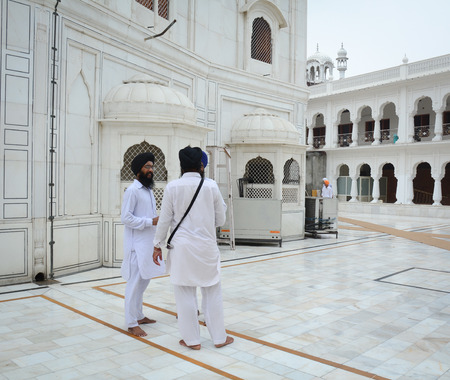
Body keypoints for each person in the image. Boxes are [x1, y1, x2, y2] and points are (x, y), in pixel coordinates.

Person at [152, 146, 233, 350]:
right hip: (206, 247)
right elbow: (220, 219)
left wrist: (157, 245)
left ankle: (192, 341)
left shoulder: (173, 187)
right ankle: (219, 338)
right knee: (212, 291)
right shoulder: (211, 186)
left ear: (182, 166)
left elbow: (164, 220)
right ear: (201, 166)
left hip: (182, 249)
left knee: (185, 293)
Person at [121, 152, 165, 337]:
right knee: (134, 284)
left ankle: (138, 315)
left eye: (152, 166)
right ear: (138, 168)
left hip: (147, 244)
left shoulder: (147, 190)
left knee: (144, 281)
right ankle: (131, 322)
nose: (151, 170)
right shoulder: (132, 191)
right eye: (147, 166)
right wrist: (150, 222)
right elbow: (126, 218)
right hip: (135, 246)